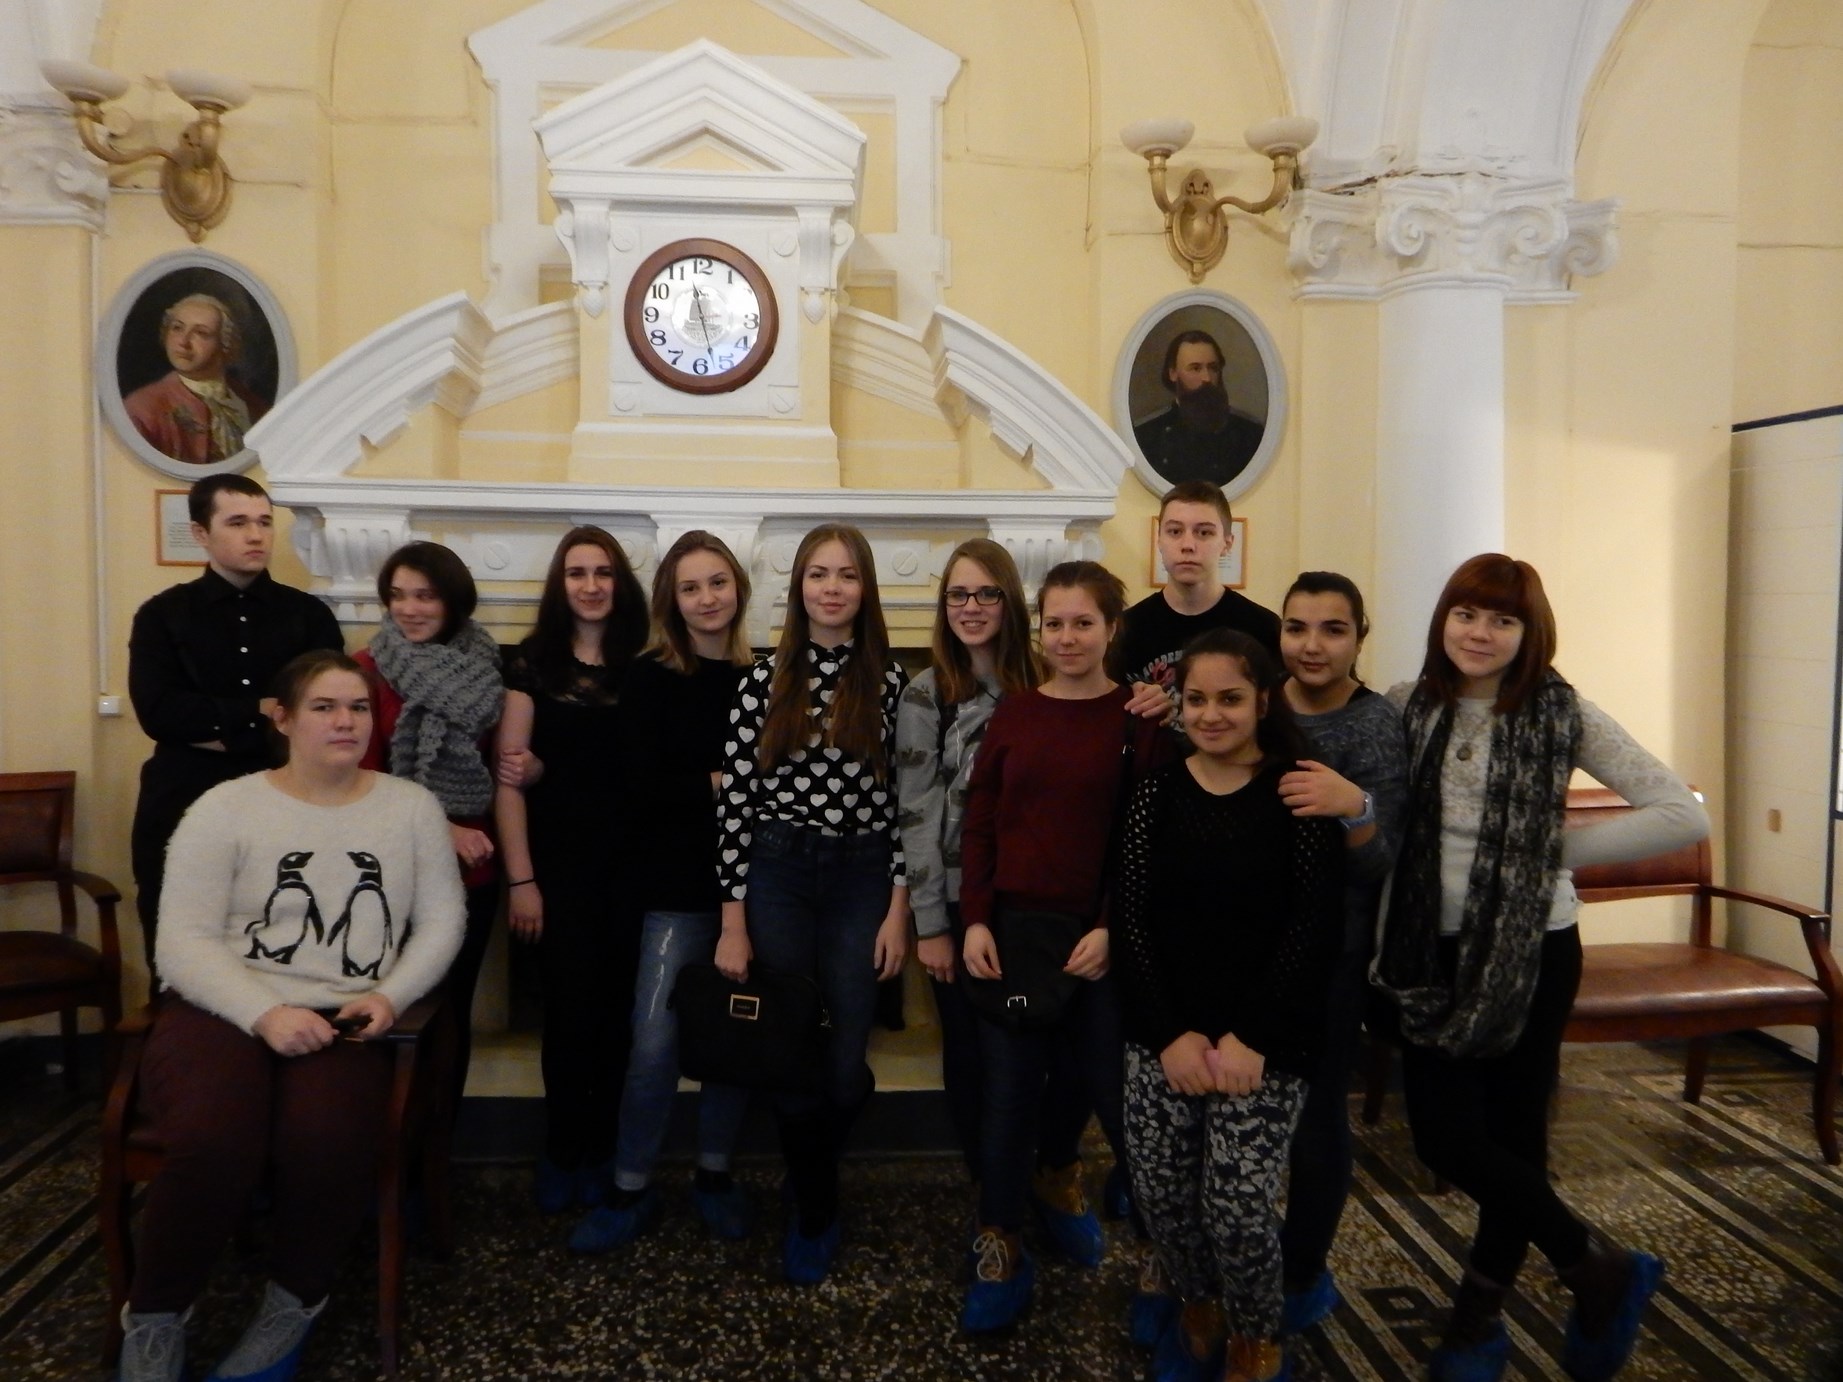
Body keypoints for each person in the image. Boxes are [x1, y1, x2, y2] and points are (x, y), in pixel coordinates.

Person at [1372, 553, 1709, 1382]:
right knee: (1444, 1139)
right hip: (1426, 952)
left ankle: (1475, 1324)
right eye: (1465, 613)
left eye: (1502, 620)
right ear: (1442, 620)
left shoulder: (1563, 713)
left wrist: (1542, 849)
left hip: (1532, 950)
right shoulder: (1405, 704)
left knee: (1515, 1139)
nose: (1479, 633)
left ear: (1529, 633)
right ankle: (1593, 1263)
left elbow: (1678, 813)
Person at [116, 649, 463, 1382]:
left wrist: (389, 996)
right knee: (212, 1137)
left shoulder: (410, 808)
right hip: (224, 1007)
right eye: (324, 707)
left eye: (359, 708)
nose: (346, 722)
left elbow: (442, 922)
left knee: (326, 1137)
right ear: (282, 718)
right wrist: (264, 1012)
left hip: (345, 1015)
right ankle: (154, 1316)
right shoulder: (225, 807)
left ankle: (292, 1302)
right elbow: (181, 941)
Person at [1114, 628, 1344, 1382]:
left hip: (1265, 1040)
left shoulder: (1297, 792)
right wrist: (1169, 1036)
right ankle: (1198, 1303)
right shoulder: (1155, 794)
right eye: (1196, 699)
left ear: (1263, 702)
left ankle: (1255, 1335)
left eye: (1230, 699)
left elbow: (1312, 931)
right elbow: (1131, 922)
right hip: (1167, 1032)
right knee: (1160, 1193)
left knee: (1235, 1205)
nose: (1211, 715)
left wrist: (1251, 1037)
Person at [955, 560, 1169, 1333]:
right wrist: (975, 917)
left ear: (1112, 629)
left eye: (1083, 623)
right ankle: (999, 1242)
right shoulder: (1014, 714)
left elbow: (1145, 839)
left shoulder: (1140, 722)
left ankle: (1160, 1258)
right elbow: (980, 820)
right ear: (1037, 629)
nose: (1067, 637)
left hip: (1100, 942)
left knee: (1117, 1099)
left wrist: (1110, 926)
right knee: (1007, 1097)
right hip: (1013, 933)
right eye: (1054, 623)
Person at [713, 523, 909, 1285]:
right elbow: (735, 806)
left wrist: (897, 909)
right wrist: (732, 921)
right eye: (818, 574)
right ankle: (816, 1209)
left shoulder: (891, 683)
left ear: (865, 589)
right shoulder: (761, 681)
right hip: (779, 872)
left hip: (862, 876)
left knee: (846, 1057)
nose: (832, 588)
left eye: (846, 575)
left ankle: (811, 1164)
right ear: (798, 588)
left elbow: (905, 804)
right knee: (790, 1047)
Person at [570, 530, 759, 1251]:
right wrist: (722, 784)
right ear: (671, 601)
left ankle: (715, 1173)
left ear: (737, 587)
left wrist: (724, 790)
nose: (707, 598)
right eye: (690, 587)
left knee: (734, 1042)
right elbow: (636, 787)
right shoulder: (650, 677)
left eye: (717, 582)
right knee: (653, 1045)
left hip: (756, 888)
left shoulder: (766, 675)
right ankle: (630, 1184)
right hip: (672, 887)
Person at [897, 539, 1091, 1194]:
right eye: (958, 594)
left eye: (987, 592)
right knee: (974, 1052)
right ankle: (994, 1195)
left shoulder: (1048, 681)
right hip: (957, 903)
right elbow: (915, 815)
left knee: (1059, 1049)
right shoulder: (927, 694)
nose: (972, 606)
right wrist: (930, 925)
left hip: (1042, 900)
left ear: (1010, 602)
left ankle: (1053, 1169)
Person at [128, 473, 344, 974]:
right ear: (201, 533)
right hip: (184, 796)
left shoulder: (309, 615)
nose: (256, 535)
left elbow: (324, 713)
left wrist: (218, 725)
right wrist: (259, 711)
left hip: (286, 798)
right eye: (238, 522)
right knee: (180, 950)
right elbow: (159, 714)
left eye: (265, 522)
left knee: (287, 944)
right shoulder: (162, 615)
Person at [492, 527, 648, 1214]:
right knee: (567, 1016)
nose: (590, 586)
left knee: (618, 1020)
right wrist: (521, 881)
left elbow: (641, 772)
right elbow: (508, 780)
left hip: (630, 868)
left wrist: (552, 768)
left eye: (603, 572)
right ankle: (561, 1148)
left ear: (621, 583)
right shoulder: (532, 665)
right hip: (556, 870)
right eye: (577, 573)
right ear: (560, 585)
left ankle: (603, 1153)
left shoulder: (644, 666)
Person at [1271, 573, 1408, 1333]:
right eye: (1297, 627)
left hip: (1332, 953)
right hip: (1249, 947)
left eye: (1332, 629)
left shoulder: (1375, 723)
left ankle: (1302, 1273)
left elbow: (1384, 859)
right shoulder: (1258, 704)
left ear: (1359, 636)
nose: (1312, 645)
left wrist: (1353, 808)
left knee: (1315, 1115)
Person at [355, 541, 504, 1103]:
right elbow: (358, 781)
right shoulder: (366, 671)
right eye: (397, 595)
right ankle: (385, 1140)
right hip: (388, 871)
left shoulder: (486, 668)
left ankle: (436, 1142)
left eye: (425, 596)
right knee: (390, 1006)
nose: (408, 609)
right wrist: (442, 829)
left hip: (471, 874)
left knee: (449, 1013)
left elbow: (499, 768)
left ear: (453, 602)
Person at [1119, 480, 1280, 702]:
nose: (1188, 545)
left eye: (1204, 532)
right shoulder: (1125, 629)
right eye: (1175, 531)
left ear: (1227, 544)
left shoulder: (1263, 628)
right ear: (1159, 540)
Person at [123, 293, 271, 465]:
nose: (183, 342)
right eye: (177, 328)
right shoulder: (142, 409)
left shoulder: (252, 406)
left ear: (226, 343)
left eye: (201, 333)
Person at [1132, 330, 1266, 489]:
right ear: (1173, 373)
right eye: (1195, 368)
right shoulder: (1147, 434)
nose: (1206, 378)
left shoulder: (1249, 433)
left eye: (1213, 368)